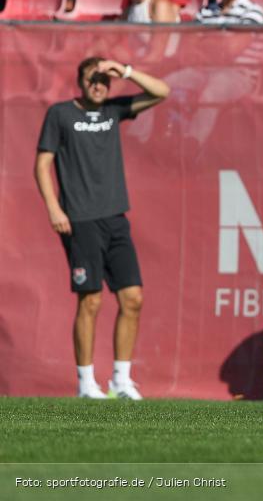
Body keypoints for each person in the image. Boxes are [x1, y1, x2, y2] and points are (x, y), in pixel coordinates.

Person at [35, 57, 171, 400]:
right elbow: (42, 164)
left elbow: (162, 91)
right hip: (80, 219)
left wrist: (124, 71)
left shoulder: (114, 110)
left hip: (115, 219)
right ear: (79, 82)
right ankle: (85, 384)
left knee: (133, 298)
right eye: (92, 79)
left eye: (103, 80)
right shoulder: (61, 114)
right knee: (90, 300)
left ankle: (121, 381)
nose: (98, 85)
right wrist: (54, 208)